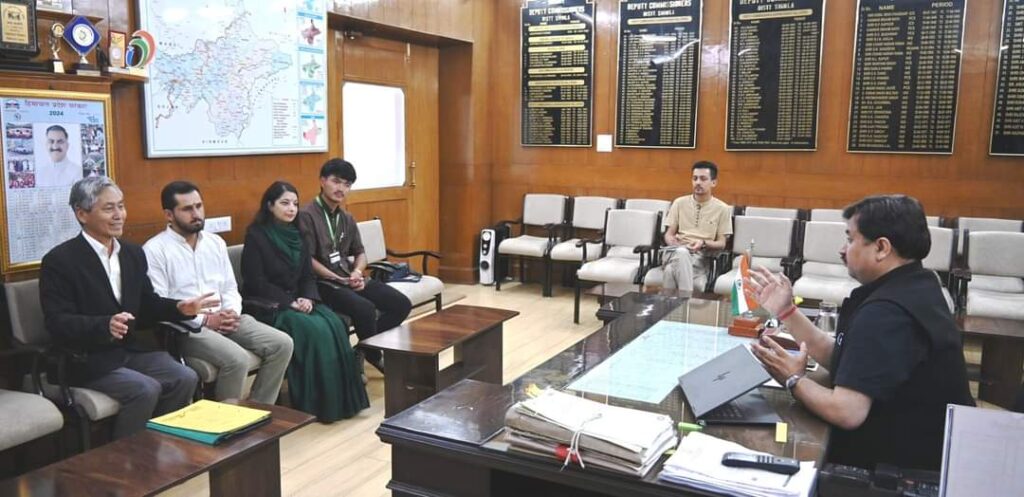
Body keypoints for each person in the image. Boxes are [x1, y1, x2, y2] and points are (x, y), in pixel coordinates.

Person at [746, 194, 974, 471]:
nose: (843, 250)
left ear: (881, 248)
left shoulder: (887, 312)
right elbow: (845, 358)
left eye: (851, 239)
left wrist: (793, 379)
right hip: (936, 450)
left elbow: (847, 411)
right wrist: (787, 312)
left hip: (901, 468)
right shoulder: (917, 284)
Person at [39, 177, 217, 439]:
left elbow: (146, 306)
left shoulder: (132, 254)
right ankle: (127, 458)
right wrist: (104, 325)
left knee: (185, 377)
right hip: (84, 357)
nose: (118, 215)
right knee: (144, 389)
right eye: (108, 208)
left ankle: (160, 443)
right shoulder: (60, 261)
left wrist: (180, 308)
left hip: (128, 350)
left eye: (121, 206)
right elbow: (57, 321)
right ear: (82, 214)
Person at [144, 181, 293, 404]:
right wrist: (205, 320)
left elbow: (229, 287)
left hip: (226, 317)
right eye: (187, 209)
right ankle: (226, 421)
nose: (196, 214)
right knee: (237, 359)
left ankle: (259, 411)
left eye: (199, 206)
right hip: (187, 328)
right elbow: (160, 303)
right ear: (169, 215)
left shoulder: (215, 243)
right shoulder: (155, 250)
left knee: (282, 344)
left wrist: (231, 312)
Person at [241, 181, 369, 422]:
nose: (291, 209)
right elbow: (255, 282)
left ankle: (343, 400)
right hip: (271, 305)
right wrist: (290, 303)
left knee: (334, 323)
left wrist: (308, 297)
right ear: (270, 205)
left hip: (300, 300)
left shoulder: (298, 233)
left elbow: (307, 276)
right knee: (314, 330)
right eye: (284, 203)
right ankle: (318, 404)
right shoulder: (256, 236)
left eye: (295, 204)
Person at [297, 159, 411, 374]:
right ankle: (374, 355)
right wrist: (337, 278)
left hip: (348, 277)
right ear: (322, 181)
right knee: (365, 309)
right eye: (336, 181)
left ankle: (362, 350)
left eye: (347, 184)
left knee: (401, 304)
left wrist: (357, 271)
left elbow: (360, 252)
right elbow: (307, 260)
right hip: (322, 282)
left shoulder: (346, 218)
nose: (341, 188)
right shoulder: (306, 216)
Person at [661, 161, 733, 292]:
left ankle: (671, 304)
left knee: (670, 271)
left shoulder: (722, 209)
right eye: (695, 178)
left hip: (700, 256)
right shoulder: (679, 203)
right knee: (681, 252)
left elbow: (722, 244)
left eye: (703, 179)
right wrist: (672, 242)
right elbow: (669, 234)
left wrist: (703, 243)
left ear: (713, 182)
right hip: (675, 252)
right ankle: (686, 301)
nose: (698, 182)